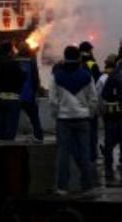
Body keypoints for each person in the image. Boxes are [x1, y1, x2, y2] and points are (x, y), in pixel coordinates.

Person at [49, 46, 97, 195]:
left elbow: (52, 100)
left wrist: (56, 114)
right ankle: (87, 186)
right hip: (83, 118)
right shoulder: (87, 76)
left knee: (63, 153)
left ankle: (63, 187)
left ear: (64, 56)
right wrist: (89, 114)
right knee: (84, 152)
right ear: (79, 58)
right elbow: (94, 99)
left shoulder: (56, 76)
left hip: (63, 119)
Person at [0, 42, 25, 140]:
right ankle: (8, 151)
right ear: (9, 52)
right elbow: (22, 79)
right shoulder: (15, 65)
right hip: (13, 99)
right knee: (10, 130)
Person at [99, 54, 122, 179]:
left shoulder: (112, 75)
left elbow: (104, 94)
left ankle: (108, 167)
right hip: (115, 113)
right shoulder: (114, 75)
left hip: (112, 113)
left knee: (110, 140)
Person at [16, 41, 44, 141]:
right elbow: (35, 78)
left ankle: (9, 139)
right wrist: (36, 91)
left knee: (13, 119)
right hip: (29, 95)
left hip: (17, 95)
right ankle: (39, 136)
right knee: (34, 118)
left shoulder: (14, 61)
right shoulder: (31, 61)